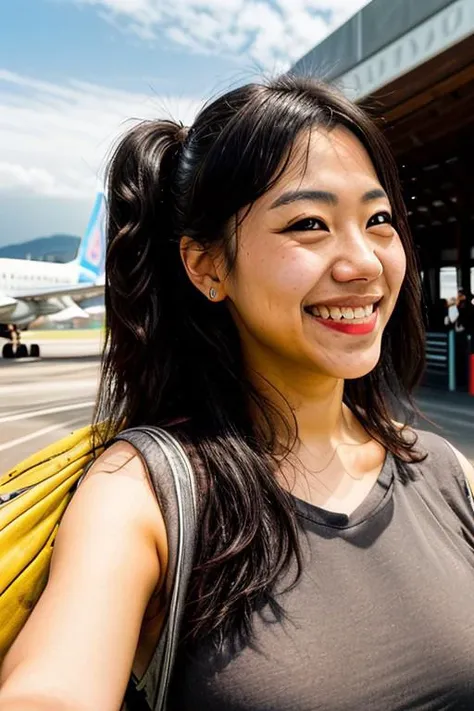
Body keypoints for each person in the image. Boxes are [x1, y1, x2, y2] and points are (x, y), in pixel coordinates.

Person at [1, 74, 474, 711]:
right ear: (207, 267)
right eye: (309, 224)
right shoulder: (145, 493)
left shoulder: (446, 474)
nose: (362, 261)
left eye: (379, 219)